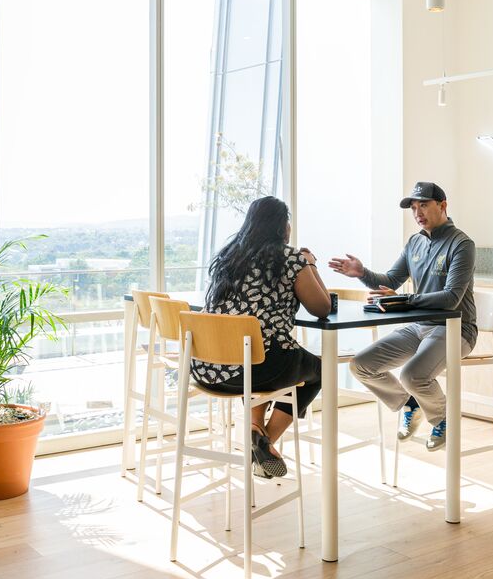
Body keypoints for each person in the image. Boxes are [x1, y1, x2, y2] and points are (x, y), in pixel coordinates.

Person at [328, 181, 477, 451]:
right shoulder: (414, 243)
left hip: (456, 328)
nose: (418, 212)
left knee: (412, 375)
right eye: (413, 208)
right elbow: (391, 281)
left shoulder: (462, 244)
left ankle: (443, 419)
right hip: (420, 327)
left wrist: (404, 300)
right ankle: (409, 404)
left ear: (443, 205)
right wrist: (362, 273)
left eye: (424, 205)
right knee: (360, 364)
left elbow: (451, 297)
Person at [193, 196, 331, 478]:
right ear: (282, 226)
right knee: (319, 370)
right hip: (253, 367)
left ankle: (256, 429)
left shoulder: (229, 257)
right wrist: (311, 264)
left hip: (207, 367)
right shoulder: (290, 258)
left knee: (257, 355)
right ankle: (265, 441)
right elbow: (322, 308)